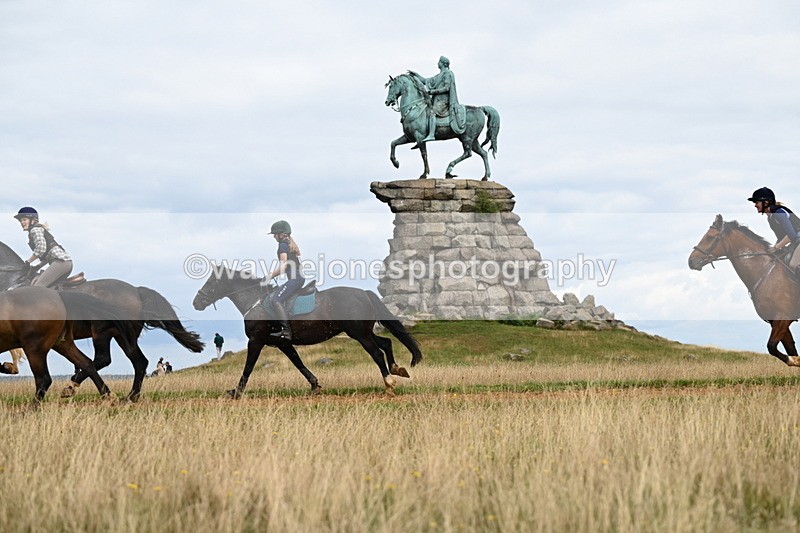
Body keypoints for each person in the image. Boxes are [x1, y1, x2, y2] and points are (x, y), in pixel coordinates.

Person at [410, 55, 466, 142]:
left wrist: (433, 92)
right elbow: (426, 81)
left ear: (443, 63)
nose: (437, 63)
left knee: (432, 112)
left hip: (444, 101)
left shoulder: (448, 74)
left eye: (439, 62)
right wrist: (416, 75)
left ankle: (432, 134)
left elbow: (447, 88)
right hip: (436, 100)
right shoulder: (439, 75)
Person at [14, 207, 74, 288]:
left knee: (37, 287)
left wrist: (28, 262)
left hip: (61, 263)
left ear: (33, 220)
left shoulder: (35, 230)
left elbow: (41, 249)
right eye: (21, 221)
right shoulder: (38, 229)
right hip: (63, 263)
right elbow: (47, 255)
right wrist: (37, 267)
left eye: (24, 220)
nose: (22, 222)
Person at [748, 187, 800, 277]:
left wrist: (775, 248)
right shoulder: (770, 218)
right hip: (796, 242)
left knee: (793, 265)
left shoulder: (778, 213)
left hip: (797, 240)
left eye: (757, 202)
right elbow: (781, 238)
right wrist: (770, 250)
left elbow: (791, 235)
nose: (755, 205)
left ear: (766, 202)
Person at [267, 220, 304, 340]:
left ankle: (286, 331)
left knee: (275, 300)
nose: (273, 236)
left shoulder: (282, 245)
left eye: (275, 234)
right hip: (298, 278)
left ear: (281, 234)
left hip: (295, 280)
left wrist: (270, 276)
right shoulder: (289, 244)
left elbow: (283, 267)